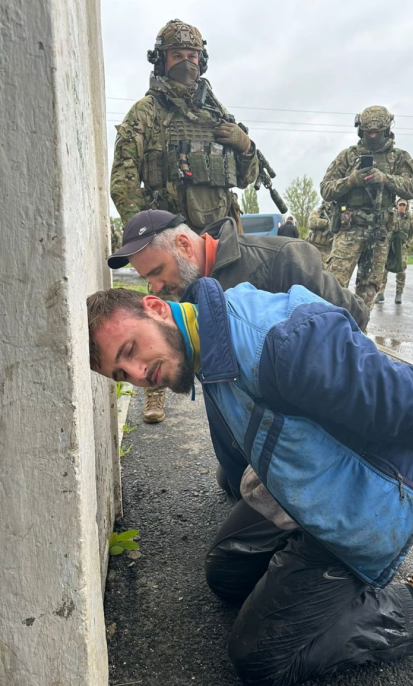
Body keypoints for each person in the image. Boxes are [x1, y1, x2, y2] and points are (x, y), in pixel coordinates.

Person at [87, 282, 413, 686]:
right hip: (313, 491)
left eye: (131, 350)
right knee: (226, 574)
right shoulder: (205, 342)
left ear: (156, 307)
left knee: (259, 660)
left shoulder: (278, 344)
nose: (141, 374)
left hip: (364, 508)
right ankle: (316, 587)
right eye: (123, 373)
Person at [110, 18, 260, 423]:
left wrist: (246, 147)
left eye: (192, 55)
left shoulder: (217, 113)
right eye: (178, 55)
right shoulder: (146, 113)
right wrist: (151, 235)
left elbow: (246, 178)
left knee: (238, 316)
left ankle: (249, 395)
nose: (186, 62)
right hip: (172, 245)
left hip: (219, 240)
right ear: (161, 60)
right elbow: (122, 181)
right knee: (159, 316)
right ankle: (155, 392)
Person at [107, 209, 370, 330]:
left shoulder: (280, 258)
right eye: (147, 278)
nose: (157, 286)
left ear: (184, 245)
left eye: (157, 271)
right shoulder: (188, 294)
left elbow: (353, 316)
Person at [320, 105, 413, 310]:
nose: (372, 136)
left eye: (377, 132)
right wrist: (350, 181)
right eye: (368, 132)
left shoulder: (399, 157)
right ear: (361, 130)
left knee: (369, 289)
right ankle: (328, 331)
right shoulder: (348, 156)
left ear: (387, 129)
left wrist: (386, 179)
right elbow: (326, 189)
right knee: (332, 285)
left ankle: (358, 334)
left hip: (380, 231)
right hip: (350, 228)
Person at [375, 199, 413, 304]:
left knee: (401, 269)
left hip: (402, 246)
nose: (402, 207)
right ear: (397, 205)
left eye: (404, 205)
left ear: (407, 206)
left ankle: (399, 293)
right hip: (389, 245)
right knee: (383, 269)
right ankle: (380, 293)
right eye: (400, 205)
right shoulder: (392, 215)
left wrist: (408, 243)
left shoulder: (411, 218)